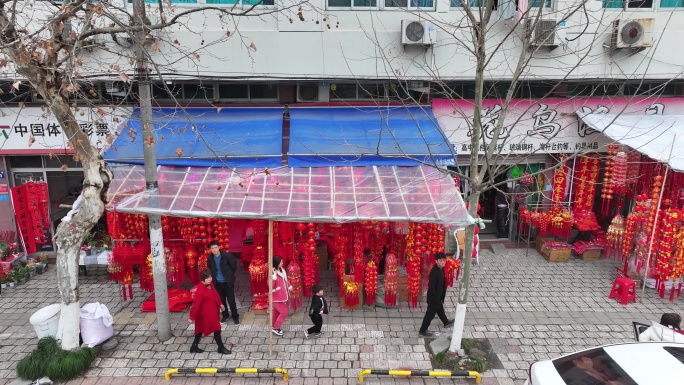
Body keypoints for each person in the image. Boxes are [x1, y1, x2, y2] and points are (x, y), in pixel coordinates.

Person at [188, 269, 231, 354]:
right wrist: (191, 317)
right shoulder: (200, 291)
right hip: (205, 314)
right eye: (207, 278)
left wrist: (220, 304)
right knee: (217, 329)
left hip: (212, 312)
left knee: (199, 331)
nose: (210, 279)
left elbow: (216, 294)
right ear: (202, 279)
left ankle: (194, 346)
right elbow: (195, 305)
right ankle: (221, 348)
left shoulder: (210, 284)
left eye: (210, 277)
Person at [419, 252, 455, 337]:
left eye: (444, 260)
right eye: (441, 260)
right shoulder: (434, 272)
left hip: (438, 296)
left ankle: (446, 322)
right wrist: (436, 300)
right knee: (430, 314)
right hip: (434, 298)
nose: (443, 262)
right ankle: (422, 330)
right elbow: (431, 287)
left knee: (440, 310)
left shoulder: (441, 268)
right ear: (436, 261)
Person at [206, 240, 240, 325]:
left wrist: (230, 275)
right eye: (212, 248)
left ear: (219, 247)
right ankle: (225, 315)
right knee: (221, 301)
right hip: (217, 283)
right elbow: (210, 269)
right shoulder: (210, 258)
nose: (214, 250)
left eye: (216, 247)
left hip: (228, 282)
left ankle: (235, 316)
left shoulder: (227, 256)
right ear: (210, 249)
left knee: (231, 301)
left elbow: (234, 265)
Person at [271, 256, 292, 336]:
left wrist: (289, 286)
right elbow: (270, 285)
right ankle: (276, 327)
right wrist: (273, 277)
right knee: (284, 312)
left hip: (283, 295)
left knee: (276, 313)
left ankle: (273, 326)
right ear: (277, 263)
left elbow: (285, 280)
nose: (282, 263)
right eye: (281, 262)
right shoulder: (273, 272)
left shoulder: (282, 270)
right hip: (277, 297)